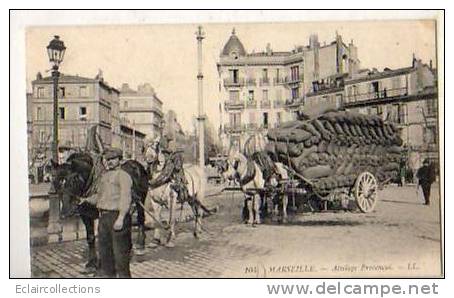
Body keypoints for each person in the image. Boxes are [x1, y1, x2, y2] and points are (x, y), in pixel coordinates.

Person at [89, 147, 133, 277]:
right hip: (104, 219)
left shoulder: (123, 176)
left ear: (120, 160)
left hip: (117, 218)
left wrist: (121, 217)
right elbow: (99, 196)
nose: (110, 162)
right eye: (108, 159)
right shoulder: (105, 176)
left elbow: (126, 197)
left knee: (120, 258)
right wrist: (85, 200)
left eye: (113, 159)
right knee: (105, 257)